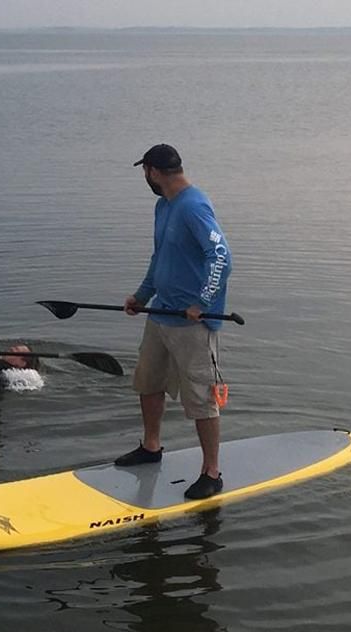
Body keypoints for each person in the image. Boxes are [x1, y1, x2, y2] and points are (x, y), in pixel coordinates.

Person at [114, 143, 232, 501]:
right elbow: (160, 256)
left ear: (153, 171)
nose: (145, 178)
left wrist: (202, 302)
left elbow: (221, 257)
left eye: (145, 172)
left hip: (192, 324)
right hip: (160, 314)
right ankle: (151, 446)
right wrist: (142, 295)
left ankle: (211, 473)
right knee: (148, 382)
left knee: (201, 398)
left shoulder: (194, 206)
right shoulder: (163, 206)